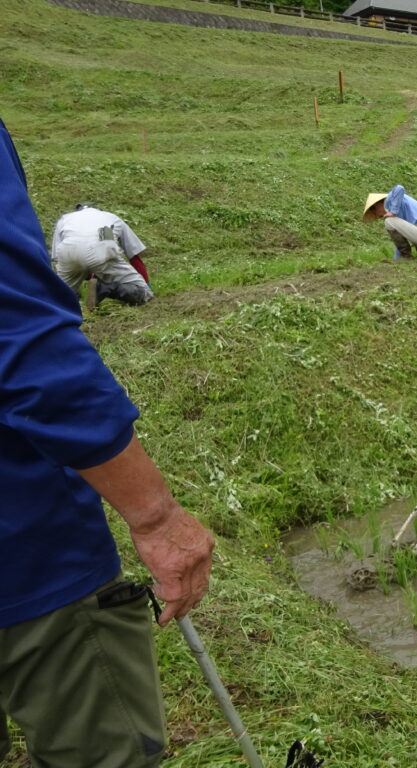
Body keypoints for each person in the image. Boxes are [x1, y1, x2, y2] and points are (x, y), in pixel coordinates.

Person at [1, 117, 215, 766]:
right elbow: (19, 329)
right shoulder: (110, 227)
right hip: (24, 554)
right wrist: (155, 516)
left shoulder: (76, 225)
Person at [51, 203, 154, 310]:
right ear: (98, 209)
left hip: (67, 252)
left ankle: (69, 303)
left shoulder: (65, 219)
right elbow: (133, 255)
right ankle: (104, 288)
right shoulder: (110, 218)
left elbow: (57, 259)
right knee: (144, 292)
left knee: (61, 297)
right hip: (100, 248)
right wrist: (146, 285)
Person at [362, 184, 417, 260]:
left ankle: (406, 256)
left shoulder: (389, 200)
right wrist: (396, 259)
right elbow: (405, 233)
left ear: (376, 205)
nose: (380, 217)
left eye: (377, 215)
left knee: (389, 221)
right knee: (411, 227)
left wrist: (393, 211)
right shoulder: (400, 207)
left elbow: (399, 188)